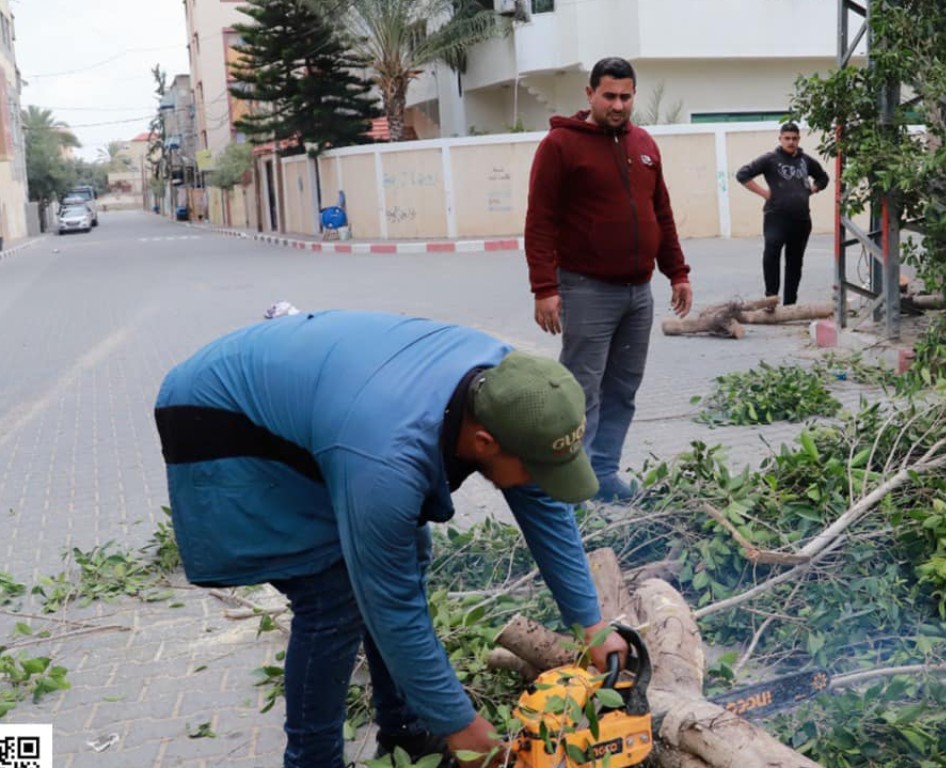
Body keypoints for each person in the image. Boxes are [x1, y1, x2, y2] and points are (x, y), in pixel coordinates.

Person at [153, 310, 627, 768]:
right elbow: (391, 603)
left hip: (337, 402)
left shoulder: (516, 392)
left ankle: (405, 731)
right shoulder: (387, 462)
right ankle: (313, 762)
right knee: (331, 595)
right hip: (218, 413)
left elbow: (541, 501)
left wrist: (591, 625)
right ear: (483, 442)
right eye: (537, 468)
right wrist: (460, 725)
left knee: (408, 549)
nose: (541, 480)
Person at [524, 56, 693, 504]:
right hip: (586, 288)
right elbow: (539, 221)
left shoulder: (644, 144)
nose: (618, 105)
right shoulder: (560, 145)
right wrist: (544, 288)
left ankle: (603, 474)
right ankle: (570, 487)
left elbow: (662, 213)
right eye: (609, 96)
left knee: (622, 388)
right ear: (590, 94)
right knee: (581, 392)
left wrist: (677, 272)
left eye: (626, 96)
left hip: (638, 292)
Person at [735, 123, 830, 306]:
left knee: (795, 262)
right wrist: (764, 193)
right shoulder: (770, 159)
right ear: (780, 139)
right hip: (775, 218)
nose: (791, 142)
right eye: (787, 138)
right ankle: (771, 299)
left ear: (799, 139)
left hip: (801, 219)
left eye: (794, 138)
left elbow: (823, 178)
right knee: (771, 255)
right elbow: (742, 175)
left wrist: (813, 188)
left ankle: (790, 304)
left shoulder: (806, 161)